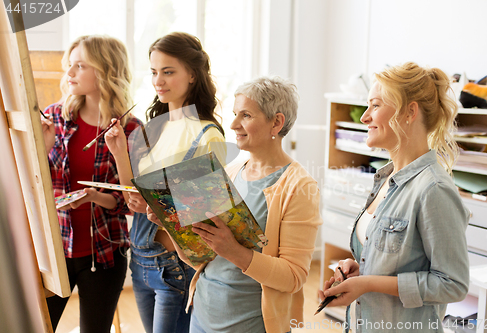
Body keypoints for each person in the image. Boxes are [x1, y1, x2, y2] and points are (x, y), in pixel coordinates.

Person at [147, 76, 322, 333]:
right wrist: (172, 224)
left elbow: (294, 278)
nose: (233, 124)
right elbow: (200, 258)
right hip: (202, 316)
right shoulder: (228, 172)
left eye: (246, 115)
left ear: (277, 122)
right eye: (234, 114)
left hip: (251, 324)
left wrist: (233, 250)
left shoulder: (300, 186)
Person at [319, 62, 469, 333]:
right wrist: (359, 271)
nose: (364, 117)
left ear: (410, 112)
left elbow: (453, 284)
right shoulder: (385, 178)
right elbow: (391, 261)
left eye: (375, 105)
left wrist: (368, 284)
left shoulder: (434, 189)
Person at [104, 32, 225, 333]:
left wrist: (159, 208)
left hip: (174, 265)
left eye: (168, 72)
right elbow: (134, 194)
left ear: (193, 75)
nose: (159, 80)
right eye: (154, 72)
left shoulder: (207, 134)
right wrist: (119, 152)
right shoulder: (154, 130)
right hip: (140, 260)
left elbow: (207, 214)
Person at [40, 35, 143, 333]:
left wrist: (95, 196)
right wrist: (44, 148)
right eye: (69, 65)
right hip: (54, 250)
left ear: (106, 70)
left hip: (105, 252)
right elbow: (33, 188)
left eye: (80, 65)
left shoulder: (131, 128)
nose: (69, 73)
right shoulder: (55, 118)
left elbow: (130, 202)